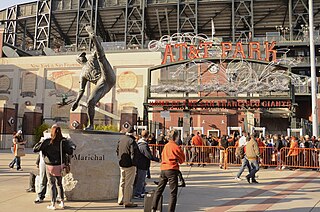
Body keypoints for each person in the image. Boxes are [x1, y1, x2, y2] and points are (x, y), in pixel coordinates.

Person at [71, 26, 116, 130]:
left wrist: (96, 40)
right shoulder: (82, 74)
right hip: (102, 83)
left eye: (82, 56)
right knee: (90, 102)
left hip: (107, 76)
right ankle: (91, 125)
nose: (81, 57)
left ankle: (93, 36)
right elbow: (81, 90)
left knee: (101, 57)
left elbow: (98, 49)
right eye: (80, 56)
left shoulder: (91, 58)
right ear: (79, 60)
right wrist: (76, 102)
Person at [33, 124, 74, 210]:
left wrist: (41, 141)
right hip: (60, 166)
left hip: (50, 166)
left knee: (52, 185)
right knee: (59, 184)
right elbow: (70, 152)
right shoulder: (63, 142)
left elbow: (35, 149)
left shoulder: (47, 141)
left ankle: (53, 204)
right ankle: (62, 202)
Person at [152, 130, 185, 212]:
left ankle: (153, 208)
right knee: (173, 193)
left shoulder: (166, 146)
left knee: (159, 190)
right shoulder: (175, 146)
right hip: (172, 169)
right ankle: (171, 210)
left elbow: (162, 156)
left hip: (164, 168)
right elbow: (182, 159)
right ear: (176, 137)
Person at [116, 126, 139, 208]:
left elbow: (117, 151)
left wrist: (119, 160)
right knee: (129, 184)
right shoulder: (132, 141)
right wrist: (134, 163)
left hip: (121, 164)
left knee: (122, 181)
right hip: (130, 165)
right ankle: (127, 201)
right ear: (133, 132)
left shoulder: (121, 139)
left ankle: (120, 199)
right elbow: (133, 154)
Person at [133, 130, 160, 198]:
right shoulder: (143, 145)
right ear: (147, 136)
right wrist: (157, 159)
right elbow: (148, 155)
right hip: (142, 164)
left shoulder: (140, 144)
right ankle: (138, 193)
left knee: (141, 179)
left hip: (141, 164)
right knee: (141, 179)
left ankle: (141, 191)